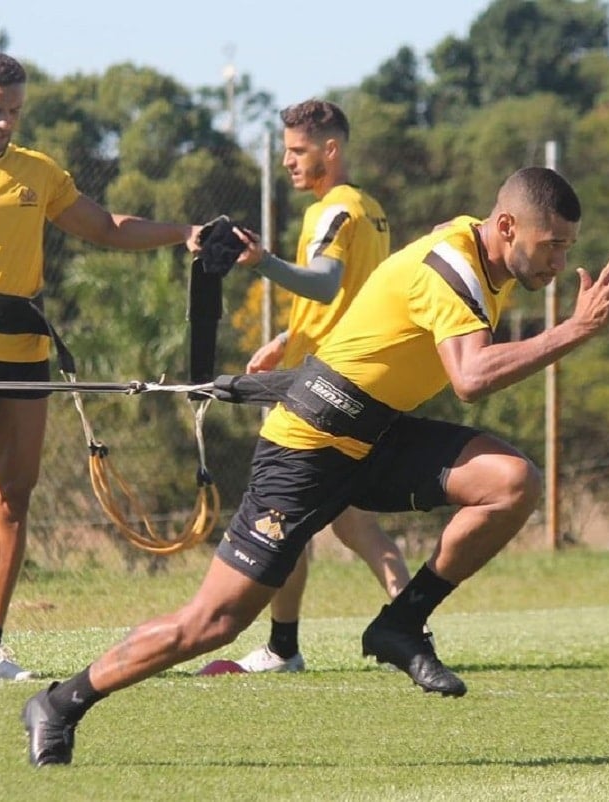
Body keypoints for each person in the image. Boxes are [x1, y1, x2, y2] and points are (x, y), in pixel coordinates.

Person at [21, 166, 609, 766]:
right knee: (213, 623)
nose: (560, 264)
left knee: (512, 480)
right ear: (507, 226)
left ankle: (400, 623)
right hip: (308, 448)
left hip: (375, 434)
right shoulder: (456, 265)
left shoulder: (479, 248)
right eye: (553, 246)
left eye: (568, 248)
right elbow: (471, 378)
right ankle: (60, 702)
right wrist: (574, 331)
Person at [0, 52, 202, 684]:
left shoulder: (38, 172)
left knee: (13, 498)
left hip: (26, 359)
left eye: (14, 111)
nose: (4, 122)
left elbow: (107, 227)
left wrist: (184, 231)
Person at [231, 99, 409, 674]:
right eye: (285, 150)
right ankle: (411, 622)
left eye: (297, 150)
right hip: (345, 378)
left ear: (330, 150)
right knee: (351, 520)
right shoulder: (372, 210)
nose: (287, 161)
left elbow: (326, 285)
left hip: (321, 391)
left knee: (289, 513)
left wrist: (262, 262)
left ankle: (284, 648)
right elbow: (358, 299)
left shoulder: (332, 211)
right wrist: (288, 337)